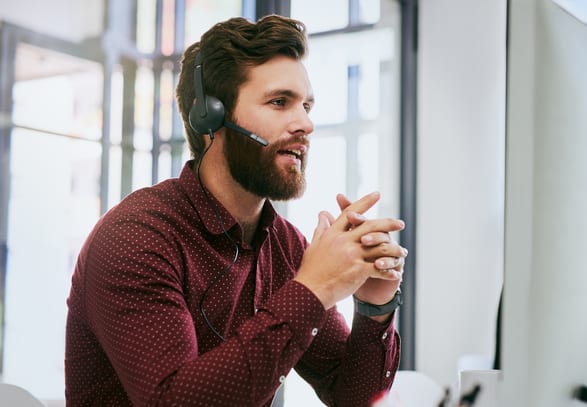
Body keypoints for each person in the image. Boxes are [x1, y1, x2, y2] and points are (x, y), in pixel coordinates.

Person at [64, 14, 407, 407]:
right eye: (280, 102)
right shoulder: (136, 236)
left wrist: (376, 305)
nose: (306, 124)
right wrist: (314, 288)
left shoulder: (284, 247)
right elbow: (173, 402)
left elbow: (352, 396)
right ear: (210, 115)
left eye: (307, 106)